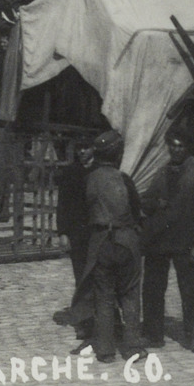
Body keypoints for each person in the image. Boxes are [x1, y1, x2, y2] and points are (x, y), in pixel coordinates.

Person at [140, 134, 194, 353]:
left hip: (185, 241)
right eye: (173, 145)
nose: (176, 150)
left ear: (187, 148)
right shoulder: (162, 173)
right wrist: (156, 203)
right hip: (159, 240)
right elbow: (146, 201)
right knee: (153, 288)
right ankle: (153, 334)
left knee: (189, 290)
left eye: (181, 146)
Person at [76, 130, 141, 363]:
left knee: (103, 296)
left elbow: (83, 213)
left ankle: (105, 350)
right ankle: (132, 347)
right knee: (130, 294)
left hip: (101, 243)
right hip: (126, 241)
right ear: (118, 155)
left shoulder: (89, 180)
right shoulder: (124, 180)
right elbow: (136, 210)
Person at [51, 137, 94, 333]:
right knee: (81, 277)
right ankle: (84, 322)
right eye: (79, 148)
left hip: (97, 232)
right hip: (78, 233)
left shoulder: (100, 171)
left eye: (86, 147)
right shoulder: (70, 172)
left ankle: (106, 322)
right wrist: (63, 232)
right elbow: (63, 205)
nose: (82, 152)